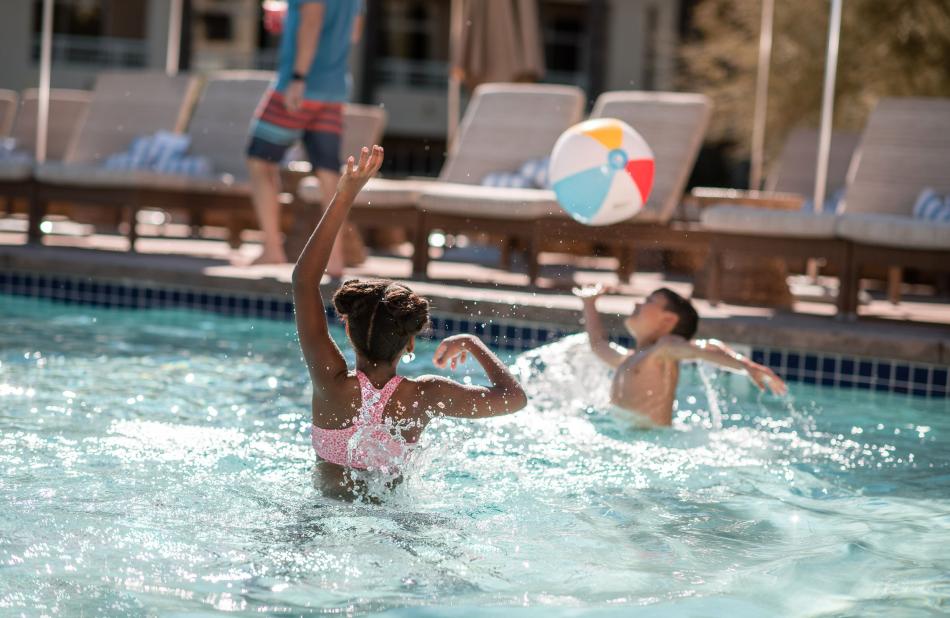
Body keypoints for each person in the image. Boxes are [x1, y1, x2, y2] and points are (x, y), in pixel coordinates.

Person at [294, 145, 528, 498]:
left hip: (324, 517)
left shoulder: (330, 382)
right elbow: (514, 399)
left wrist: (345, 196)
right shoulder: (424, 396)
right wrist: (472, 343)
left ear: (349, 330)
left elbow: (303, 281)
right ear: (409, 343)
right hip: (394, 524)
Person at [246, 0, 364, 268]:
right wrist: (291, 16)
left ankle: (272, 248)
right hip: (334, 88)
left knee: (258, 160)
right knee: (328, 172)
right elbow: (353, 32)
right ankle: (334, 259)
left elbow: (312, 20)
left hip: (302, 85)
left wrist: (298, 77)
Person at [574, 284, 787, 427]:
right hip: (631, 440)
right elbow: (598, 343)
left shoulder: (663, 350)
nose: (637, 303)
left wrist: (746, 365)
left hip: (651, 446)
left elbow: (705, 349)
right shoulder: (629, 360)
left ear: (668, 320)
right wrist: (589, 303)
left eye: (648, 301)